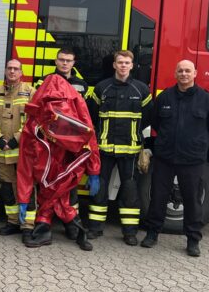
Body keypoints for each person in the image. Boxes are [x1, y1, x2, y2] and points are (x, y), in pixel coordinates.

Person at [140, 59, 209, 257]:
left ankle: (193, 240)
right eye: (180, 71)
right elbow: (156, 122)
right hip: (165, 157)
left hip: (192, 159)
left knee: (192, 200)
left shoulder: (207, 99)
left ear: (195, 73)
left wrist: (197, 142)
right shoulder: (165, 97)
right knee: (158, 197)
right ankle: (152, 233)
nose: (184, 74)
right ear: (175, 74)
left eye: (188, 71)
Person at [17, 74, 100, 251]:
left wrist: (94, 171)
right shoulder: (36, 123)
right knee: (56, 197)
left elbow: (89, 138)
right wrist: (23, 198)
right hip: (49, 169)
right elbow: (25, 160)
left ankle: (56, 227)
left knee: (57, 196)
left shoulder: (42, 118)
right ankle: (73, 229)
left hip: (65, 166)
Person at [89, 50, 152, 245]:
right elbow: (90, 116)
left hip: (130, 150)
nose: (123, 66)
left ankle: (129, 233)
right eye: (120, 62)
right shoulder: (102, 88)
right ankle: (95, 228)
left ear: (132, 66)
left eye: (127, 62)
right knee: (99, 188)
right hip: (104, 148)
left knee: (130, 191)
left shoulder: (141, 90)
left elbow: (149, 117)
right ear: (114, 65)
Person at [37, 47, 97, 240]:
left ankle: (70, 224)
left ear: (73, 62)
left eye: (68, 60)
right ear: (56, 61)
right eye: (61, 60)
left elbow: (85, 114)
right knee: (49, 181)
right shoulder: (44, 81)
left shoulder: (81, 85)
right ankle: (49, 220)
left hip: (72, 143)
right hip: (51, 141)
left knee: (70, 183)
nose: (64, 63)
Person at [0, 58, 36, 244]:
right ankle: (13, 221)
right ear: (5, 71)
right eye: (9, 68)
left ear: (21, 72)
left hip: (23, 153)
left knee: (26, 188)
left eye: (16, 69)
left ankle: (28, 226)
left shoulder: (30, 92)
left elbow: (35, 119)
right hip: (3, 152)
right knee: (7, 188)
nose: (12, 72)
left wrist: (16, 139)